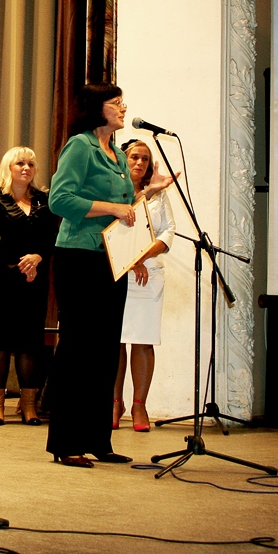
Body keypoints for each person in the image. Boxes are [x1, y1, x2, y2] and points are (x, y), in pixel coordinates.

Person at [45, 85, 139, 467]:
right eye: (116, 103)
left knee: (105, 350)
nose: (123, 108)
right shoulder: (80, 146)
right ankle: (66, 443)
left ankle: (99, 439)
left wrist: (145, 195)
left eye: (122, 102)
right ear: (95, 108)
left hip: (112, 260)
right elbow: (59, 199)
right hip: (78, 257)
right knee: (78, 348)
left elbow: (125, 209)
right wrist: (112, 208)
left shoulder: (118, 154)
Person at [0, 146, 59, 426]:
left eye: (31, 164)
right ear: (8, 168)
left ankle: (28, 406)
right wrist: (22, 263)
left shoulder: (44, 201)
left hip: (34, 280)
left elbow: (51, 237)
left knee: (29, 342)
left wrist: (37, 258)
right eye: (20, 163)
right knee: (0, 341)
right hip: (2, 278)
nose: (26, 168)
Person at [113, 139, 175, 432]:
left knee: (142, 340)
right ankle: (114, 403)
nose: (139, 162)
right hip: (118, 271)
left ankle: (139, 405)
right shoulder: (114, 190)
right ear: (123, 159)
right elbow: (113, 228)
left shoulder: (158, 194)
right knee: (115, 341)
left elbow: (168, 231)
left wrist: (141, 257)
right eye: (134, 157)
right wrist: (130, 259)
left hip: (149, 275)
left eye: (145, 159)